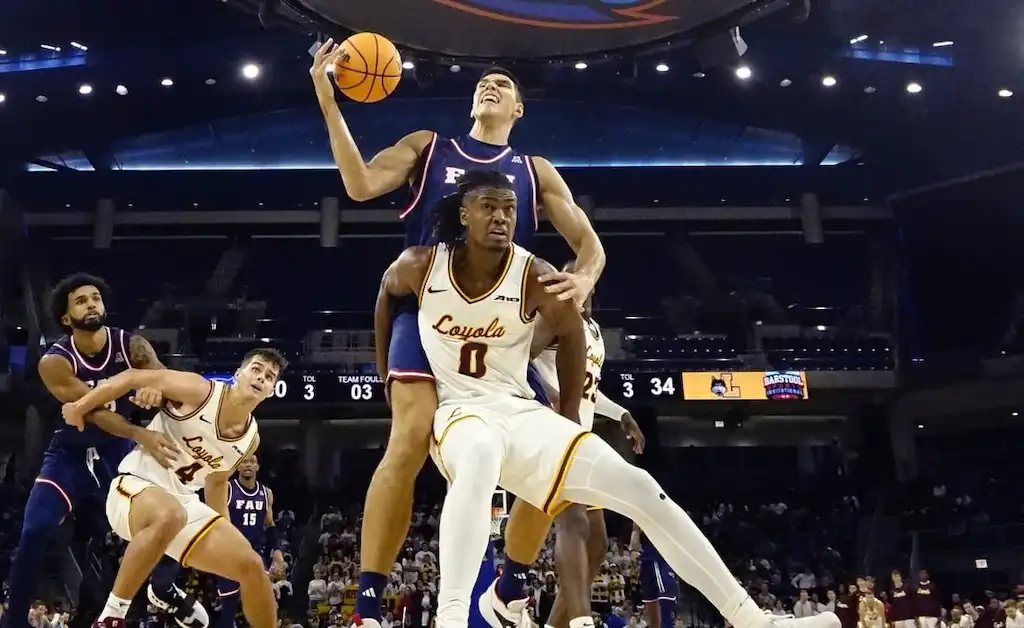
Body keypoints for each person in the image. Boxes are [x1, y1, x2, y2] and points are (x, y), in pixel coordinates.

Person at [378, 169, 843, 628]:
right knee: (478, 456)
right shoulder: (422, 265)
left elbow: (572, 332)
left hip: (519, 412)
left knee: (644, 490)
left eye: (509, 208)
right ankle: (452, 617)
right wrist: (387, 376)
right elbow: (385, 296)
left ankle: (751, 620)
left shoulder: (533, 274)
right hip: (461, 412)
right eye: (488, 207)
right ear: (464, 214)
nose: (501, 217)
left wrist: (566, 419)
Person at [309, 40, 606, 628]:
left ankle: (510, 584)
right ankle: (367, 607)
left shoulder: (534, 170)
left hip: (499, 325)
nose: (489, 86)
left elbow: (589, 244)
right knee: (410, 437)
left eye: (504, 85)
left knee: (548, 452)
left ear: (519, 109)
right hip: (428, 316)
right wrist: (328, 100)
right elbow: (361, 184)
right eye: (483, 82)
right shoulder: (429, 147)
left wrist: (584, 278)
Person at [3, 273, 203, 628]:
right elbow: (93, 412)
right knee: (35, 530)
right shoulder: (54, 363)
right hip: (70, 455)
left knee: (178, 505)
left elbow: (168, 384)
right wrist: (140, 431)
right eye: (81, 301)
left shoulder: (133, 346)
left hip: (120, 454)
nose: (92, 304)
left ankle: (164, 587)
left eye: (96, 297)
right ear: (66, 319)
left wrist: (154, 392)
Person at [60, 348, 286, 628]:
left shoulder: (250, 439)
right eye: (256, 369)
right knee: (171, 514)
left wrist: (226, 532)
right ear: (238, 374)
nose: (261, 377)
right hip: (134, 487)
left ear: (272, 390)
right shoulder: (202, 391)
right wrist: (79, 407)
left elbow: (216, 482)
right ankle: (111, 616)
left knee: (252, 566)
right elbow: (133, 376)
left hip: (183, 503)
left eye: (269, 376)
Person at [482, 262, 647, 628]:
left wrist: (621, 414)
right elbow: (517, 361)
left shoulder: (592, 329)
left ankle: (553, 619)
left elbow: (588, 386)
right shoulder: (555, 318)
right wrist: (553, 396)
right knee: (572, 522)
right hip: (551, 434)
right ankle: (580, 620)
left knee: (598, 543)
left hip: (580, 437)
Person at [214, 453, 287, 628]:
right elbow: (220, 525)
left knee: (258, 607)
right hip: (231, 554)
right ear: (237, 466)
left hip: (255, 555)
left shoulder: (265, 493)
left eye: (252, 462)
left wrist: (276, 552)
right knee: (228, 608)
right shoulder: (227, 489)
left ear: (257, 467)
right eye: (244, 462)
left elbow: (270, 525)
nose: (247, 465)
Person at [629, 525, 678, 628]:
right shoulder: (640, 513)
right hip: (647, 560)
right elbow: (636, 529)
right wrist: (633, 549)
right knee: (652, 607)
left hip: (662, 559)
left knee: (665, 600)